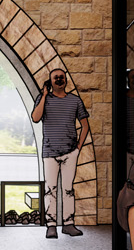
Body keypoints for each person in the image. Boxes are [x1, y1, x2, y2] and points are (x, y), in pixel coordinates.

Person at [30, 67, 90, 238]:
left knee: (68, 189)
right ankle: (51, 225)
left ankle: (68, 224)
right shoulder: (43, 99)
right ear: (50, 81)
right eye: (55, 77)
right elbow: (35, 118)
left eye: (61, 77)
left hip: (70, 152)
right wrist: (44, 94)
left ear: (66, 80)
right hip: (50, 152)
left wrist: (78, 147)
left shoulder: (75, 101)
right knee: (50, 189)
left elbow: (85, 125)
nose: (58, 80)